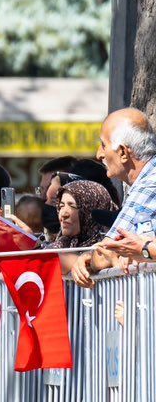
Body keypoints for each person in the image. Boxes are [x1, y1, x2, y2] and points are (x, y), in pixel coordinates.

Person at [70, 108, 156, 288]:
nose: (99, 154)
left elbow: (104, 254)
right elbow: (105, 253)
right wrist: (89, 257)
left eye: (103, 145)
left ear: (123, 152)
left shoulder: (150, 183)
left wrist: (92, 258)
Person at [54, 179, 121, 252]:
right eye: (61, 206)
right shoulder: (58, 247)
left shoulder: (108, 252)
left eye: (73, 206)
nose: (63, 214)